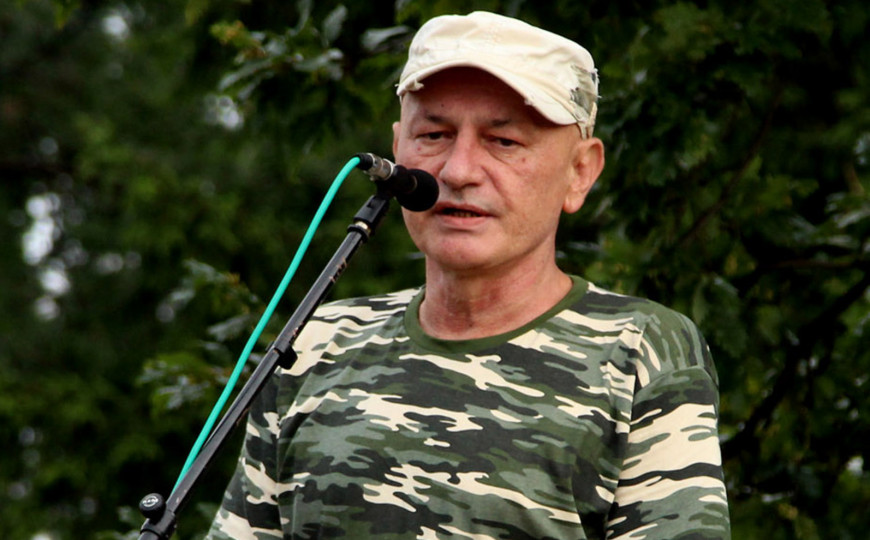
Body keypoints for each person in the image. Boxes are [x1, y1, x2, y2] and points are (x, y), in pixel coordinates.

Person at [206, 11, 730, 539]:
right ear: (397, 151)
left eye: (504, 141)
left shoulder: (640, 352)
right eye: (434, 135)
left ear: (580, 172)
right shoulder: (313, 343)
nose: (458, 171)